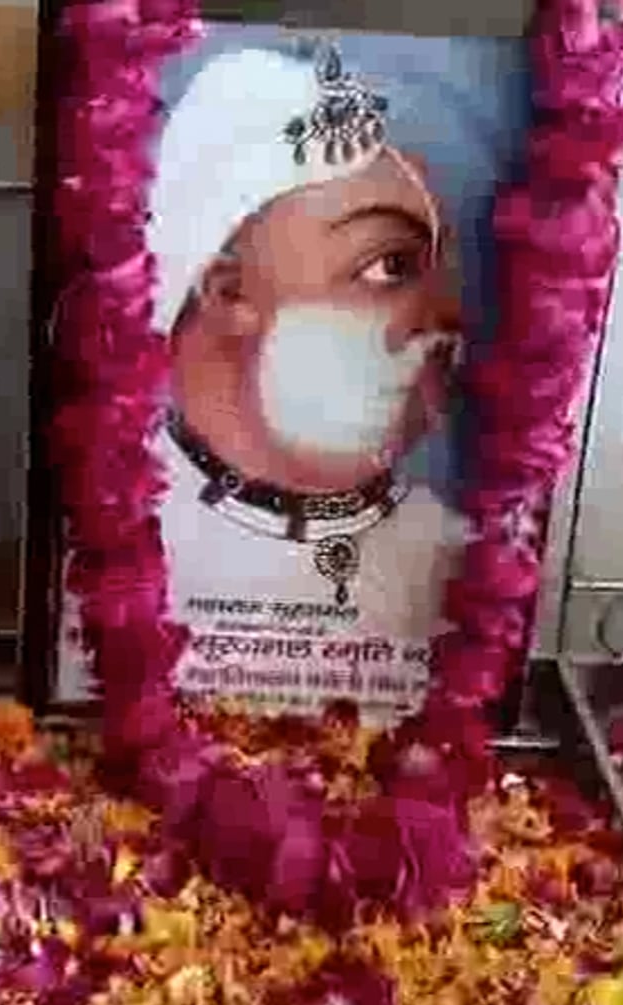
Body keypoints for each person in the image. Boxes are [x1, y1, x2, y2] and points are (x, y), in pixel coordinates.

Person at [147, 44, 468, 639]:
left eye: (442, 272)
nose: (446, 317)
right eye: (390, 266)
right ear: (227, 292)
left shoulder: (451, 568)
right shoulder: (118, 547)